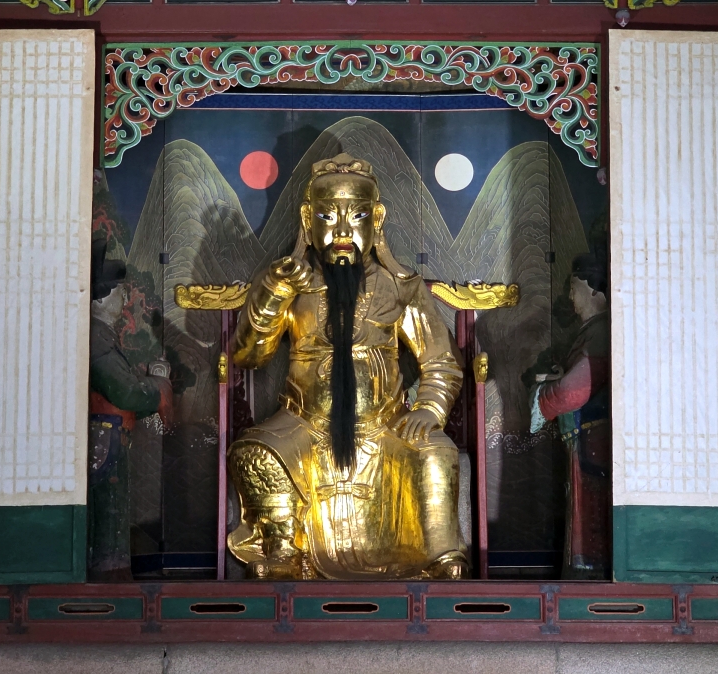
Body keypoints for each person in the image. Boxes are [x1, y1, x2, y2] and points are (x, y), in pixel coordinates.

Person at [227, 154, 468, 580]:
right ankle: (284, 549)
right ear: (307, 219)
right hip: (304, 424)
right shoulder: (291, 281)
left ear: (377, 219)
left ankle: (442, 557)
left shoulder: (401, 286)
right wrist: (273, 294)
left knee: (436, 453)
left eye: (356, 216)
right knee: (255, 453)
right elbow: (248, 356)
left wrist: (428, 410)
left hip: (384, 425)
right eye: (327, 216)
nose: (341, 231)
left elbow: (441, 362)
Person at [87, 237, 173, 581]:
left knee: (114, 506)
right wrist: (156, 388)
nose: (125, 301)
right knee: (109, 509)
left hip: (110, 434)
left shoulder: (101, 337)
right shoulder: (97, 339)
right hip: (103, 437)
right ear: (106, 298)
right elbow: (123, 391)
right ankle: (109, 576)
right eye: (121, 294)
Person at [529, 252, 611, 580]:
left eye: (574, 289)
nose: (570, 297)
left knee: (590, 515)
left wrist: (542, 398)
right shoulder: (590, 331)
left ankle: (590, 578)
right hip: (582, 437)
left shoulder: (601, 332)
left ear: (594, 290)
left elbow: (574, 390)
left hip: (595, 438)